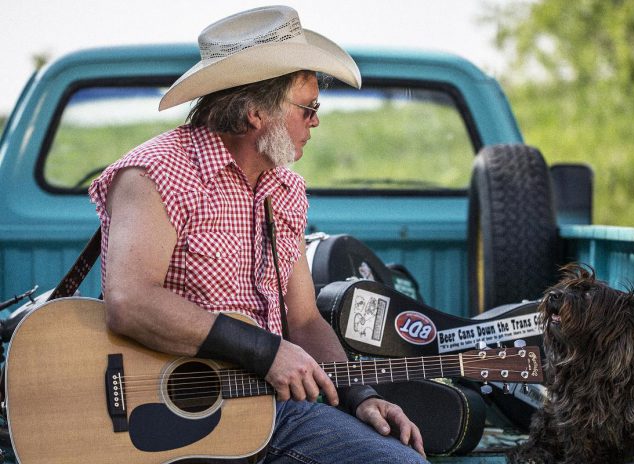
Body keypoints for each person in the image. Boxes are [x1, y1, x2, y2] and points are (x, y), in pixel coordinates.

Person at [88, 5, 427, 464]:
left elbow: (304, 320)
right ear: (254, 114)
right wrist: (264, 351)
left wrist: (360, 395)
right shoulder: (155, 173)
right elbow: (130, 303)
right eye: (308, 108)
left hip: (272, 410)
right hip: (166, 416)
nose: (316, 121)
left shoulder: (285, 190)